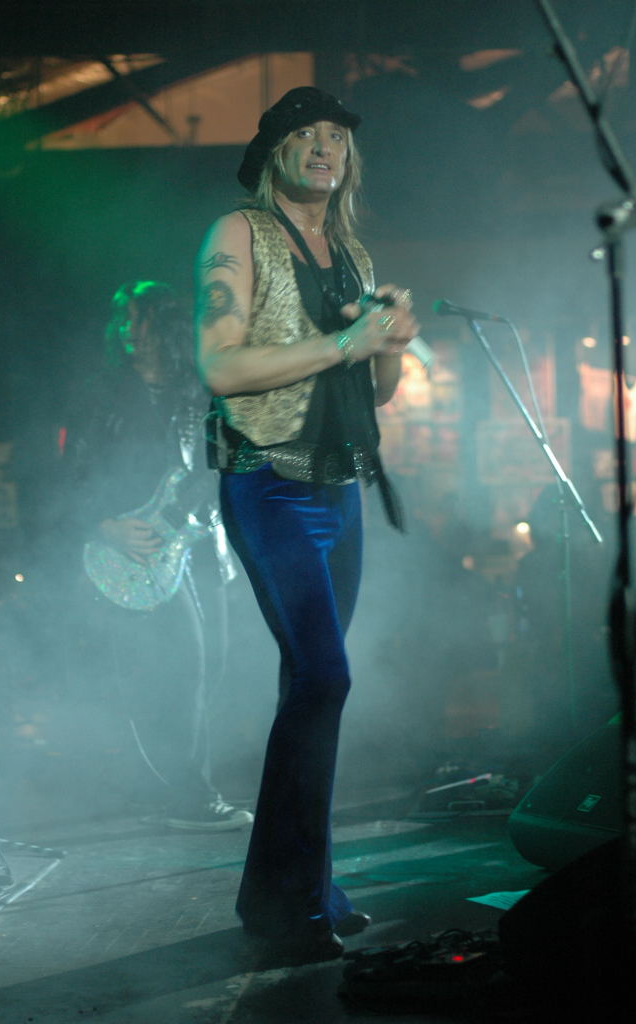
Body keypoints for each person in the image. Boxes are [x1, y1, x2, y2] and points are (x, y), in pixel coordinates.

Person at [195, 86, 419, 961]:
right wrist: (342, 344)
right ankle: (288, 900)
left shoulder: (353, 252)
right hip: (269, 482)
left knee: (311, 687)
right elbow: (220, 368)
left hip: (338, 488)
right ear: (275, 151)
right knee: (325, 678)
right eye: (306, 133)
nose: (325, 146)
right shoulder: (238, 234)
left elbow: (376, 390)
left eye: (338, 136)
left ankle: (297, 888)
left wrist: (389, 342)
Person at [60, 280, 252, 831]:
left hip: (199, 543)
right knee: (183, 669)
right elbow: (69, 477)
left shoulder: (200, 390)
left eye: (138, 318)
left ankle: (162, 786)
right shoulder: (100, 394)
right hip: (136, 550)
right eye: (121, 319)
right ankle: (191, 797)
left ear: (164, 325)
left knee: (212, 666)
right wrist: (104, 526)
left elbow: (225, 463)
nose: (127, 330)